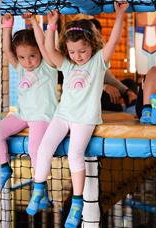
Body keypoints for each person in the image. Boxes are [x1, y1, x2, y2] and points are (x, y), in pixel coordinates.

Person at [25, 2, 128, 227]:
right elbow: (50, 51)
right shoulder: (68, 65)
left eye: (82, 51)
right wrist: (50, 26)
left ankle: (77, 203)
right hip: (63, 115)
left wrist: (120, 15)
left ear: (91, 45)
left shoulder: (99, 62)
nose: (78, 56)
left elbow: (113, 41)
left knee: (74, 155)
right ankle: (39, 188)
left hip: (84, 119)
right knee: (44, 148)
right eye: (72, 52)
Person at [0, 13, 58, 191]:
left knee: (34, 148)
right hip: (22, 114)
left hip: (42, 116)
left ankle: (40, 186)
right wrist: (7, 27)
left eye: (32, 56)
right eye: (22, 58)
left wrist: (33, 21)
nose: (27, 62)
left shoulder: (49, 66)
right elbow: (8, 51)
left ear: (40, 52)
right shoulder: (20, 67)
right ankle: (3, 168)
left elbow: (43, 43)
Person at [88, 18, 138, 112]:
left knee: (129, 82)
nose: (96, 37)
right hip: (91, 92)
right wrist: (104, 87)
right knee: (109, 97)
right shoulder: (81, 53)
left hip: (104, 85)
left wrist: (127, 91)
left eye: (97, 33)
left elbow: (108, 78)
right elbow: (85, 80)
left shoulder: (99, 51)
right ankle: (126, 107)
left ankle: (132, 106)